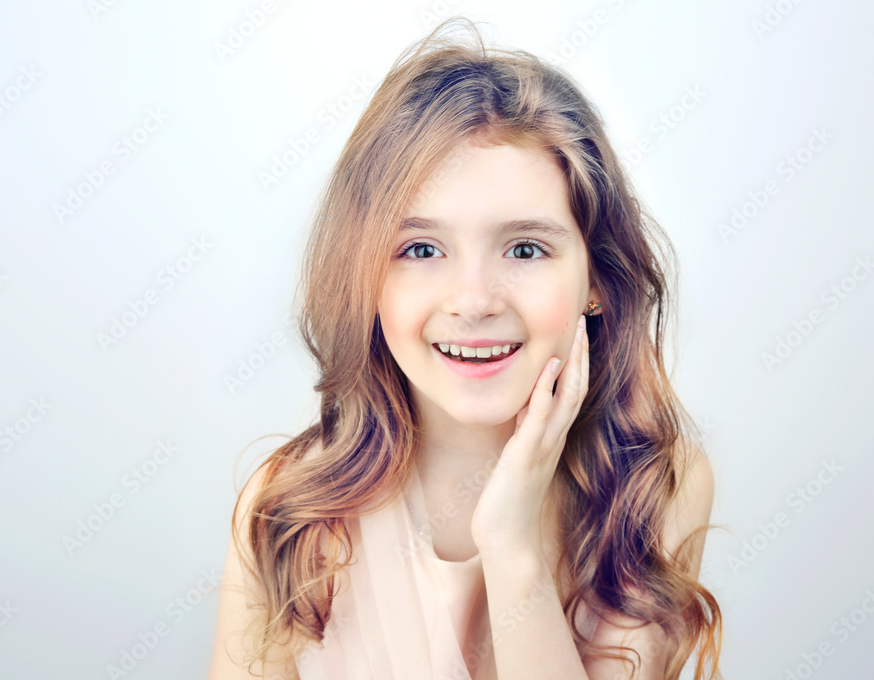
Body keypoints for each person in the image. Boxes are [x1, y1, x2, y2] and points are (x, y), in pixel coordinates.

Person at [208, 16, 722, 680]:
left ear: (596, 278)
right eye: (422, 249)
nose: (474, 300)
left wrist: (510, 544)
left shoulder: (656, 489)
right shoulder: (286, 511)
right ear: (365, 275)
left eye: (525, 249)